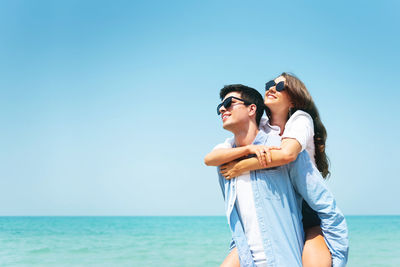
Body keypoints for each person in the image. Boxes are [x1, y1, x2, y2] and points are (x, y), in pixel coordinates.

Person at [206, 84, 348, 267]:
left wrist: (336, 259)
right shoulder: (225, 163)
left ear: (252, 109)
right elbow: (240, 224)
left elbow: (326, 207)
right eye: (219, 107)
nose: (222, 109)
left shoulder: (281, 148)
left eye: (228, 103)